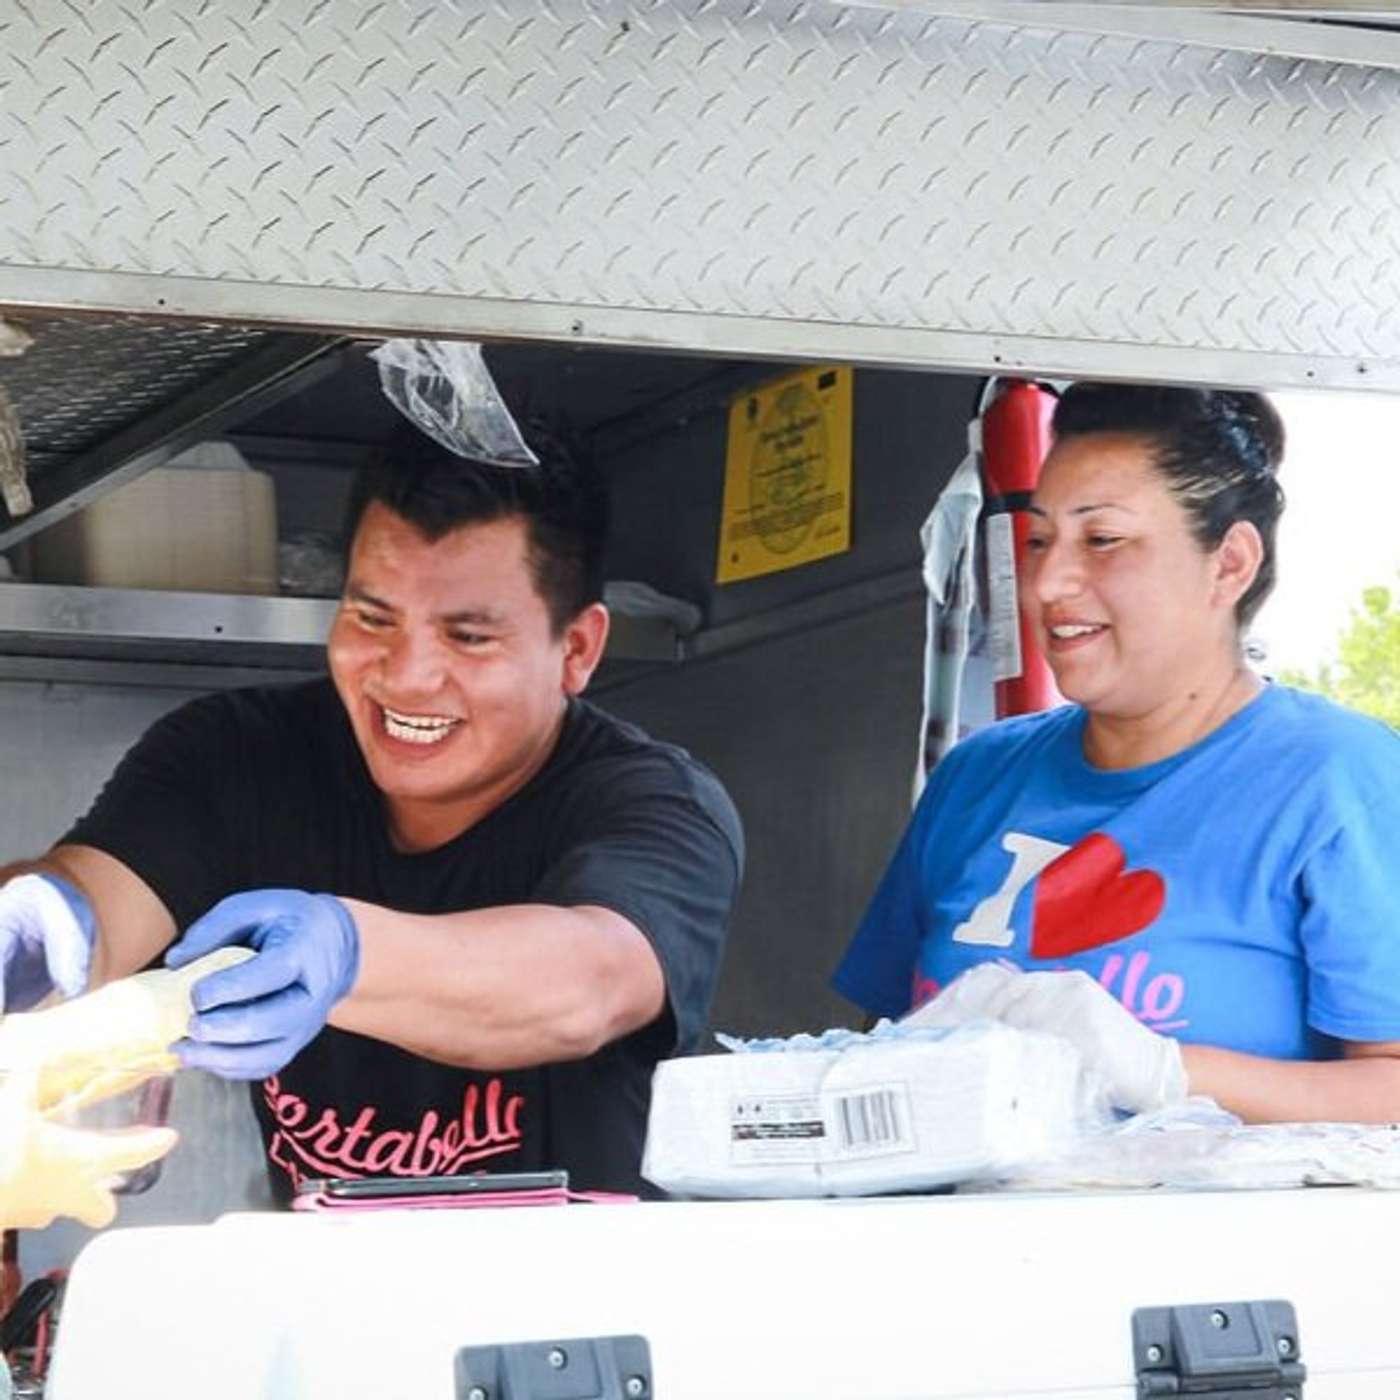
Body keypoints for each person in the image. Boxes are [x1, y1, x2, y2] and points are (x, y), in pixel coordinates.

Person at [0, 427, 743, 1201]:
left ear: (577, 649)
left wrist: (344, 953)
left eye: (469, 636)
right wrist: (44, 912)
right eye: (372, 619)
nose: (408, 678)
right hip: (329, 1301)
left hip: (574, 1309)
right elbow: (96, 909)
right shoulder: (235, 756)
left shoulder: (651, 802)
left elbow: (587, 983)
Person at [834, 382, 1400, 1123]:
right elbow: (876, 1053)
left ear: (1229, 564)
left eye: (1102, 541)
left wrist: (1166, 1072)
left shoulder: (1339, 776)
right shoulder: (978, 778)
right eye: (1038, 540)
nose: (1048, 582)